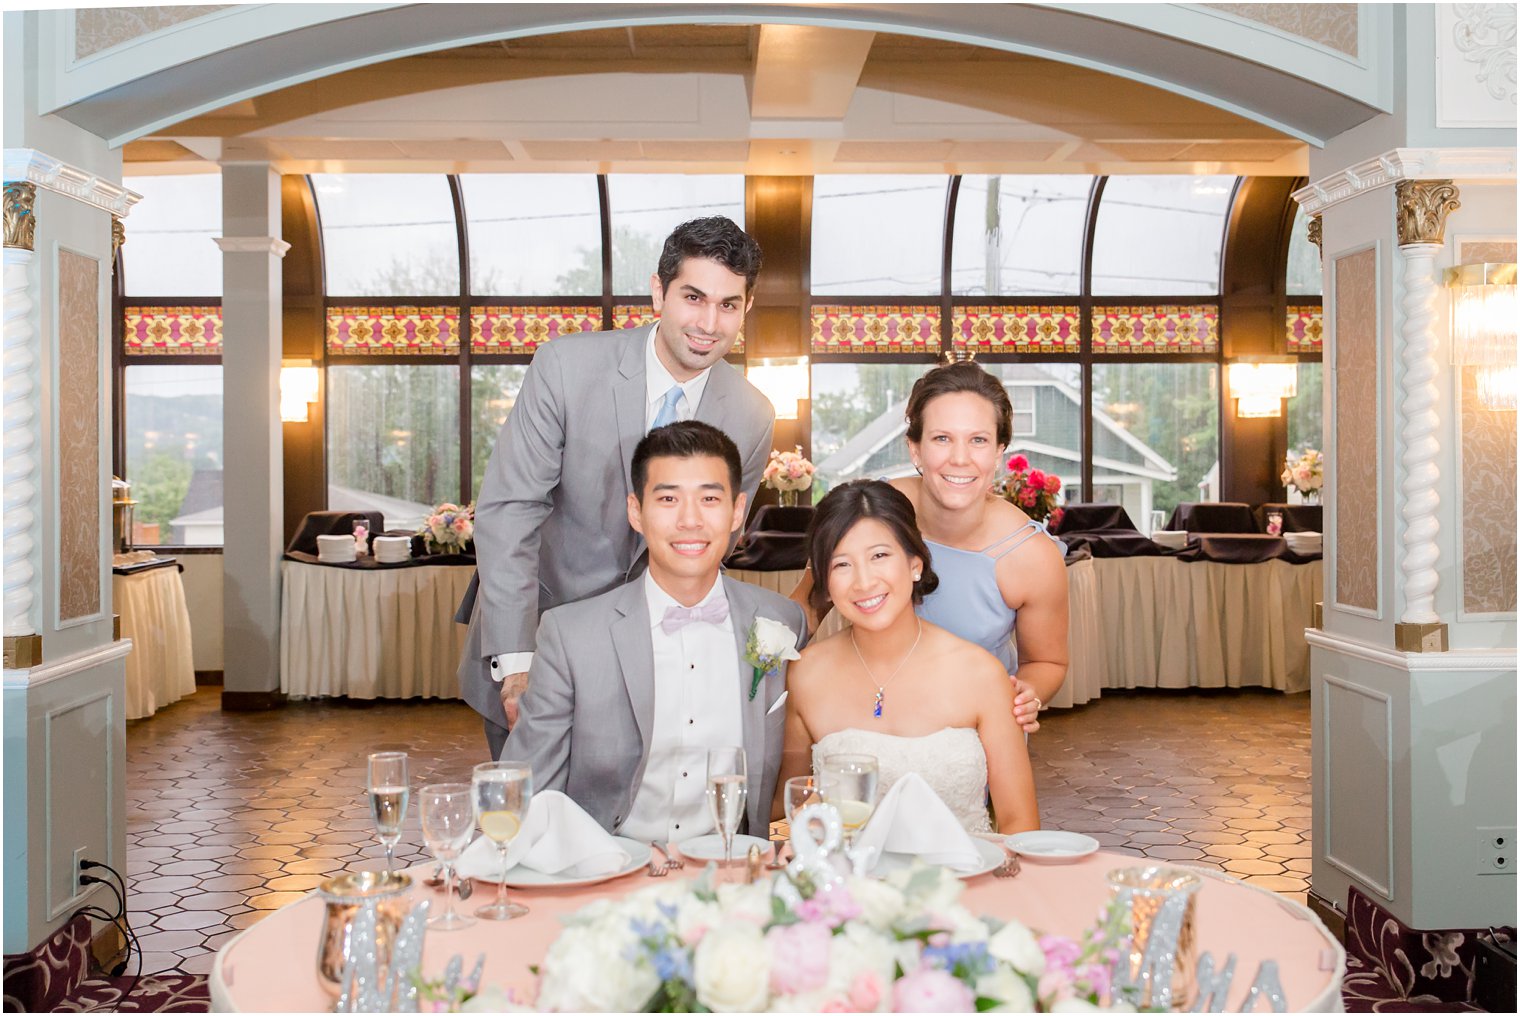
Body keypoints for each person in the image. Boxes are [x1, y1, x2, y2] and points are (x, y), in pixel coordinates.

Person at [457, 217, 776, 759]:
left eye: (728, 304)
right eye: (693, 297)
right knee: (535, 832)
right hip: (538, 642)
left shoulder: (752, 414)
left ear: (746, 309)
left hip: (654, 662)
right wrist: (517, 664)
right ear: (659, 291)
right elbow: (510, 511)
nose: (708, 322)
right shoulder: (566, 367)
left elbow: (713, 545)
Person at [503, 422, 807, 843]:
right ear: (635, 511)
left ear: (737, 511)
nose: (689, 520)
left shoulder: (783, 622)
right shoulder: (570, 636)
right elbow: (526, 794)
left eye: (709, 499)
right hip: (606, 874)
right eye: (667, 499)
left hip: (732, 877)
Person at [790, 361, 1068, 734]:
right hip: (866, 718)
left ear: (999, 452)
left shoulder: (1032, 556)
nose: (960, 458)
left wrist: (1024, 696)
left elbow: (1048, 663)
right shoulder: (871, 512)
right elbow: (808, 605)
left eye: (979, 440)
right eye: (942, 438)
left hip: (968, 733)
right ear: (915, 450)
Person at [775, 480, 1037, 835]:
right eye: (841, 564)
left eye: (879, 556)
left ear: (915, 564)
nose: (864, 582)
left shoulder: (981, 675)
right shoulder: (805, 674)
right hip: (852, 886)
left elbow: (1019, 824)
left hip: (967, 882)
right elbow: (784, 802)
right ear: (824, 579)